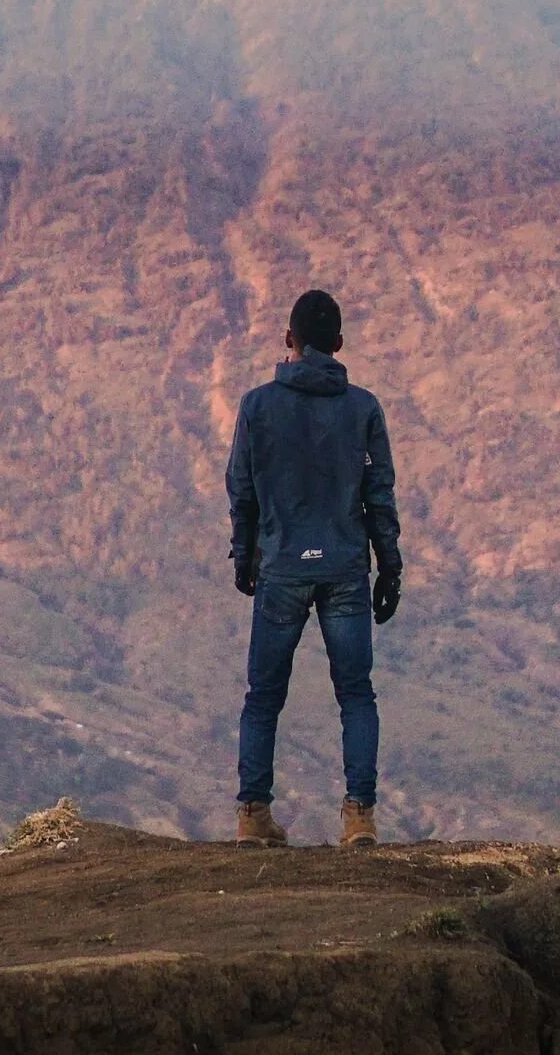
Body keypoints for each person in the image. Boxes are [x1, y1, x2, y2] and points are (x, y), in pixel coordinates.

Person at [225, 289, 403, 848]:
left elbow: (242, 488)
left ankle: (253, 816)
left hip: (280, 568)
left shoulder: (257, 406)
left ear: (289, 341)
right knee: (355, 694)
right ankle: (359, 819)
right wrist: (389, 566)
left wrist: (244, 551)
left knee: (263, 696)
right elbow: (380, 492)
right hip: (346, 568)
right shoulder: (363, 408)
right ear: (340, 345)